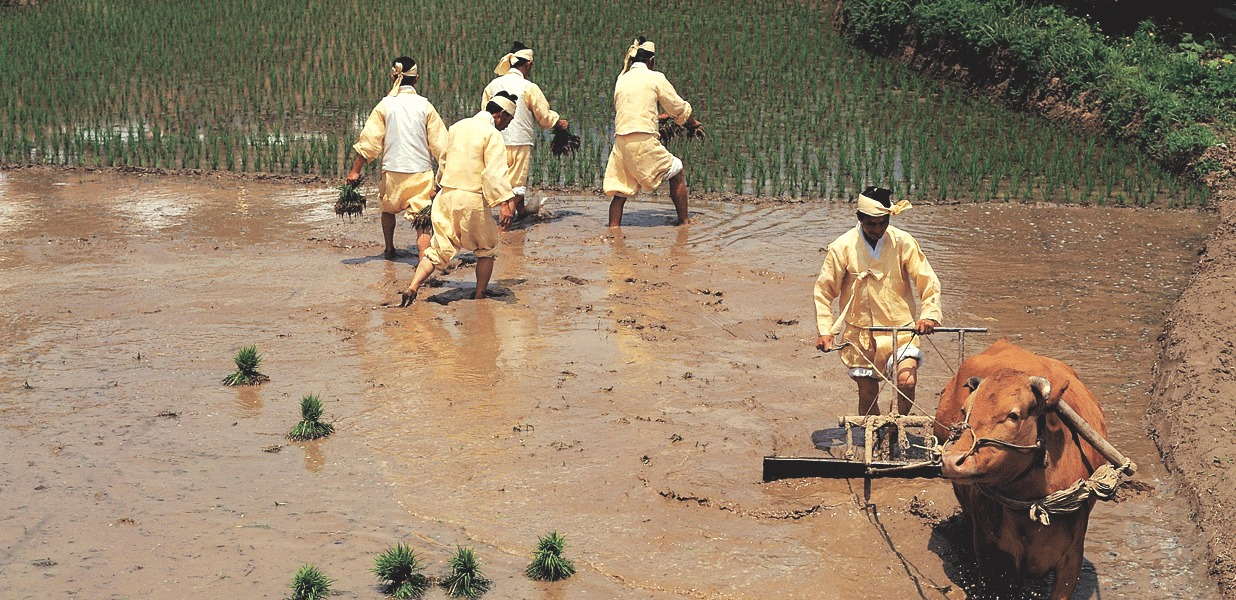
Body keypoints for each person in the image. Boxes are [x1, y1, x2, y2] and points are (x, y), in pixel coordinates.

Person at [814, 186, 942, 416]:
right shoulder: (842, 246)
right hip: (860, 335)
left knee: (907, 382)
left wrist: (929, 315)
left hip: (901, 331)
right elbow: (823, 291)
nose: (878, 229)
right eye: (871, 224)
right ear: (860, 218)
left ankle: (896, 426)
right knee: (868, 393)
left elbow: (927, 280)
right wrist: (826, 331)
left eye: (883, 223)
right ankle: (873, 435)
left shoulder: (903, 242)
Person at [398, 91, 519, 306]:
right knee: (487, 248)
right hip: (471, 199)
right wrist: (505, 202)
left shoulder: (456, 127)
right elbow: (494, 173)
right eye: (508, 119)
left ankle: (413, 286)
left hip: (447, 196)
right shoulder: (492, 134)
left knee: (437, 250)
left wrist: (436, 187)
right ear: (500, 114)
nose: (507, 125)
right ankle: (480, 295)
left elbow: (443, 161)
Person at [346, 57, 449, 260]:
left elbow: (369, 141)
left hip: (393, 172)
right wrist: (444, 177)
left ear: (393, 76)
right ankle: (423, 260)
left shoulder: (385, 105)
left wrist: (355, 170)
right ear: (416, 79)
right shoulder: (425, 106)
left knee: (388, 210)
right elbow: (442, 146)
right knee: (423, 221)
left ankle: (389, 248)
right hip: (420, 173)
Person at [602, 37, 703, 228]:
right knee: (677, 170)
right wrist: (691, 123)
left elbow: (629, 111)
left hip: (621, 141)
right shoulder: (656, 77)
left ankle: (613, 230)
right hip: (642, 140)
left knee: (621, 191)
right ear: (651, 60)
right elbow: (677, 107)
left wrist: (658, 118)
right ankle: (684, 221)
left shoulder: (621, 79)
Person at [481, 41, 568, 228]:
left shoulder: (492, 86)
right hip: (519, 142)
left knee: (500, 180)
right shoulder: (529, 87)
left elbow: (484, 114)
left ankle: (522, 214)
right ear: (527, 64)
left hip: (494, 141)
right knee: (515, 187)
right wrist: (559, 122)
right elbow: (544, 117)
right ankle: (504, 230)